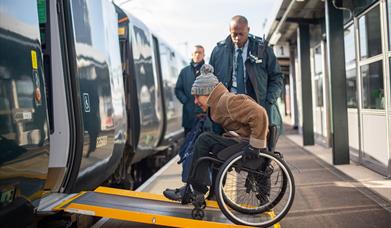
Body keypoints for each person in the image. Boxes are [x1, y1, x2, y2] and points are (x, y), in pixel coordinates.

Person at [163, 64, 269, 201]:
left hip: (249, 146)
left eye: (197, 96)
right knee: (211, 146)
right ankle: (212, 193)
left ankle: (194, 190)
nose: (195, 101)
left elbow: (259, 113)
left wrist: (256, 145)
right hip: (242, 142)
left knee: (204, 140)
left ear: (208, 94)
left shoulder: (227, 101)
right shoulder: (218, 104)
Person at [209, 15, 283, 134]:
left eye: (241, 34)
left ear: (248, 30)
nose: (237, 38)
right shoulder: (218, 51)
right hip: (228, 112)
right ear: (229, 31)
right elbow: (211, 81)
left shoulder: (263, 49)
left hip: (257, 108)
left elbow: (277, 77)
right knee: (229, 149)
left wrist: (269, 101)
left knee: (258, 147)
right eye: (234, 34)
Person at [175, 45, 205, 136]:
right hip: (189, 114)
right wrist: (185, 101)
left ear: (204, 55)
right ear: (192, 55)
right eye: (195, 52)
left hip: (204, 116)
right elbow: (178, 89)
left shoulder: (209, 71)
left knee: (202, 143)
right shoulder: (184, 71)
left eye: (200, 53)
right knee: (188, 142)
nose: (197, 55)